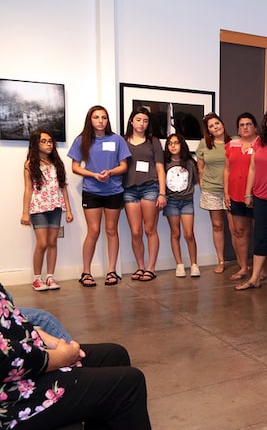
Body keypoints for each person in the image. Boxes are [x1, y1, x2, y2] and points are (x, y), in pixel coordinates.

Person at [0, 284, 187, 430]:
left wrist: (49, 341)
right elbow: (7, 360)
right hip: (9, 402)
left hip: (13, 377)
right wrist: (59, 357)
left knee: (113, 355)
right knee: (127, 384)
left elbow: (10, 319)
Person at [68, 105, 131, 288]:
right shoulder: (82, 140)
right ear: (90, 120)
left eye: (104, 117)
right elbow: (75, 167)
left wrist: (110, 172)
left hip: (114, 191)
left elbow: (123, 166)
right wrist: (94, 175)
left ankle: (111, 271)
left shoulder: (117, 139)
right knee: (93, 231)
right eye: (96, 117)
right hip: (92, 191)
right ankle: (86, 272)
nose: (100, 121)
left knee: (112, 230)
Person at [235, 107, 267, 291]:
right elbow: (252, 169)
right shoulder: (259, 143)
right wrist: (248, 193)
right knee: (260, 238)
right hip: (261, 197)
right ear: (265, 122)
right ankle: (255, 278)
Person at [20, 129, 73, 291]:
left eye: (50, 141)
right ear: (35, 144)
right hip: (39, 208)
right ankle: (37, 278)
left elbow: (63, 188)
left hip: (55, 207)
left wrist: (68, 210)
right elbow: (28, 189)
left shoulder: (57, 163)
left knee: (52, 242)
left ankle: (50, 276)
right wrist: (25, 212)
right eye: (43, 141)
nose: (48, 144)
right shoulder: (30, 164)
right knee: (42, 243)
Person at [122, 109, 166, 282]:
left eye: (145, 120)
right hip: (129, 189)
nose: (142, 123)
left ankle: (151, 268)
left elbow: (160, 168)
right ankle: (140, 266)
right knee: (135, 232)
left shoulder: (153, 141)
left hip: (150, 187)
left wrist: (162, 193)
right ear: (131, 121)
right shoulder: (122, 141)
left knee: (150, 229)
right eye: (138, 119)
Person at [224, 113, 258, 281]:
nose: (245, 127)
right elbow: (227, 170)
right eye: (242, 124)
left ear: (255, 127)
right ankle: (244, 267)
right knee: (240, 232)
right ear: (238, 128)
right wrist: (226, 193)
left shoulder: (261, 144)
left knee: (259, 233)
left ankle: (261, 269)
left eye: (249, 124)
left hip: (256, 195)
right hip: (235, 195)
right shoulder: (231, 145)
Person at [197, 113, 231, 274]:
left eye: (217, 123)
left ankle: (243, 263)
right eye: (211, 126)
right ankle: (221, 261)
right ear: (208, 130)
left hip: (231, 191)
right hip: (212, 190)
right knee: (217, 226)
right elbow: (200, 168)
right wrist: (203, 184)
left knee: (235, 228)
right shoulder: (204, 144)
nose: (215, 127)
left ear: (222, 123)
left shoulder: (234, 142)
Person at [163, 133, 200, 278]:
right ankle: (179, 264)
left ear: (182, 145)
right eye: (170, 143)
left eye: (176, 143)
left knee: (189, 234)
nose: (173, 146)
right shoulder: (165, 163)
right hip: (171, 201)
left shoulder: (190, 163)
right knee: (175, 233)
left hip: (186, 201)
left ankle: (194, 264)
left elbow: (195, 180)